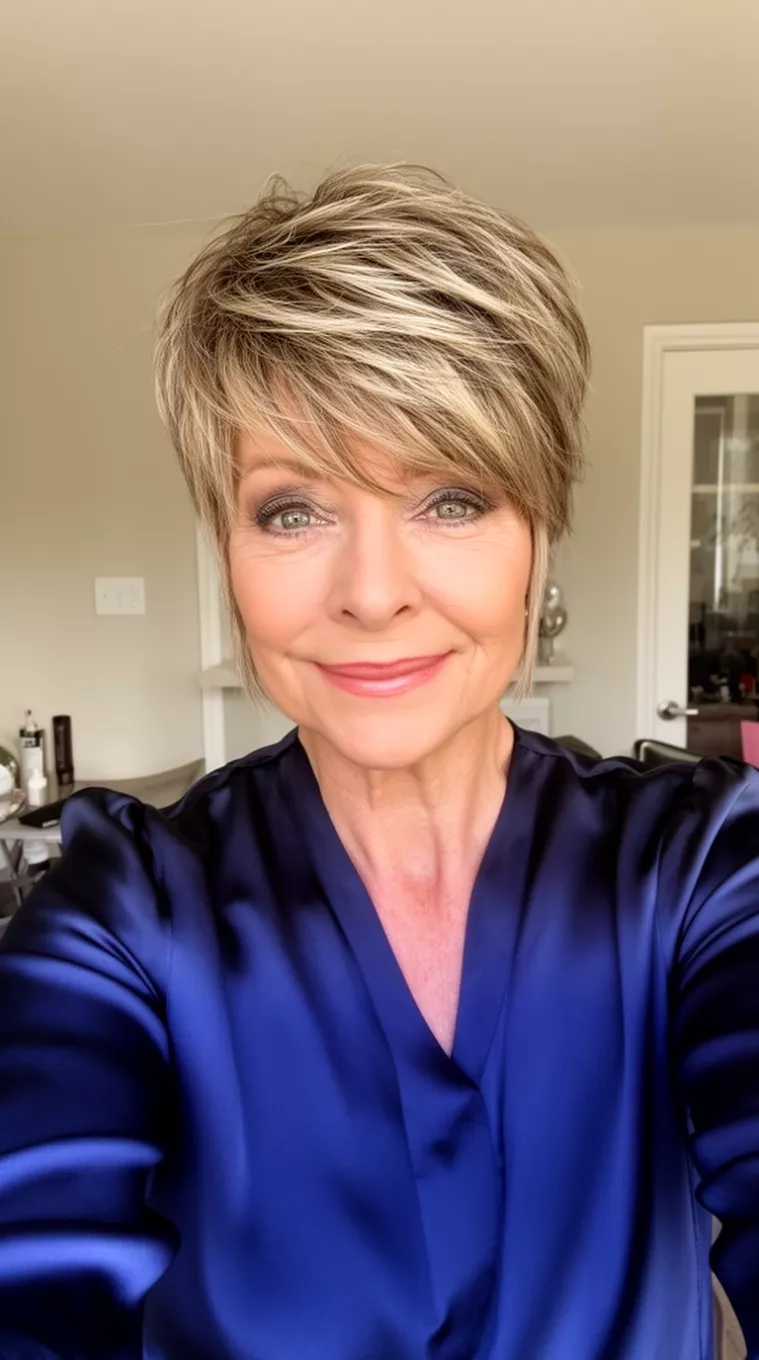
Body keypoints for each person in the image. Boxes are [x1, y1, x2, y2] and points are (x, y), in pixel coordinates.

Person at [0, 164, 757, 1360]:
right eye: (292, 508)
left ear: (538, 539)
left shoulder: (700, 870)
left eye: (452, 497)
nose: (371, 594)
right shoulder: (125, 917)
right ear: (227, 546)